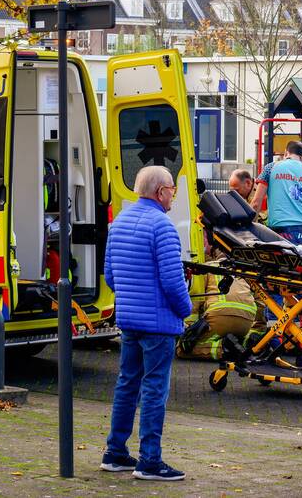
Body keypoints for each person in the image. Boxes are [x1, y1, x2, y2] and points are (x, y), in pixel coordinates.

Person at [101, 165, 192, 481]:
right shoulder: (163, 227)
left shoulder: (119, 223)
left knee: (127, 384)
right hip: (159, 325)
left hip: (129, 320)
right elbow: (172, 281)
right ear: (160, 191)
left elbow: (111, 277)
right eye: (172, 190)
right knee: (154, 389)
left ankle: (115, 452)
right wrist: (186, 310)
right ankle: (149, 460)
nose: (173, 196)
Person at [250, 141, 302, 244]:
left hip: (278, 233)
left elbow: (255, 203)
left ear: (286, 153)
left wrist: (249, 233)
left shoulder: (270, 168)